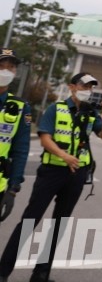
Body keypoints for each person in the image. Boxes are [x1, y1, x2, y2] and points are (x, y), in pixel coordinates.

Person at [0, 71, 102, 282]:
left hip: (77, 174)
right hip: (52, 172)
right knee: (29, 221)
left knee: (59, 224)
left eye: (90, 87)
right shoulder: (56, 109)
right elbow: (45, 138)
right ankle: (3, 271)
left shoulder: (90, 113)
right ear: (71, 87)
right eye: (83, 85)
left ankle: (41, 273)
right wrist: (64, 156)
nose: (87, 90)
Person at [0, 50, 32, 224]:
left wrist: (13, 189)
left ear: (15, 73)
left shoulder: (21, 107)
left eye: (10, 67)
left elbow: (21, 149)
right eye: (1, 66)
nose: (5, 71)